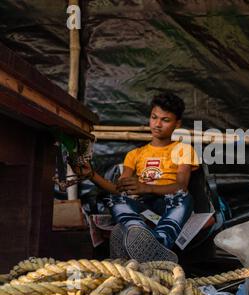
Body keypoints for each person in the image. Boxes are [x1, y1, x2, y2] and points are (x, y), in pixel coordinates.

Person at [75, 92, 199, 263]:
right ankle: (137, 231)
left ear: (177, 124)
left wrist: (146, 187)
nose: (157, 124)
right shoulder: (135, 154)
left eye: (165, 120)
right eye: (154, 117)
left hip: (168, 204)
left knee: (183, 196)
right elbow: (119, 189)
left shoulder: (183, 149)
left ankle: (161, 239)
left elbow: (181, 185)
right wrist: (91, 174)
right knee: (115, 199)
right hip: (142, 206)